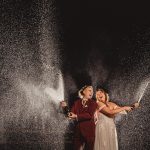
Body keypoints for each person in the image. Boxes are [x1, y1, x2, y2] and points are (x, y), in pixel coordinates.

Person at [60, 85, 97, 150]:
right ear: (83, 91)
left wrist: (76, 116)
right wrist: (65, 107)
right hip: (78, 132)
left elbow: (89, 115)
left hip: (89, 132)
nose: (92, 93)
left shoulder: (93, 103)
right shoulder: (77, 102)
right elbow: (70, 114)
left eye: (92, 91)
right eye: (89, 90)